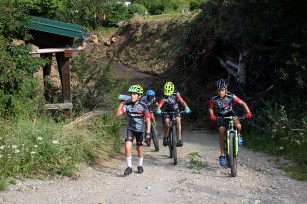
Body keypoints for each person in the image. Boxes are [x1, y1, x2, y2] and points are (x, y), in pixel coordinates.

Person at [208, 79, 252, 166]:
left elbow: (242, 103)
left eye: (222, 90)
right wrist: (212, 115)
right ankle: (222, 154)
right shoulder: (214, 99)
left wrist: (248, 112)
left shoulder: (230, 96)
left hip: (230, 113)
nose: (221, 92)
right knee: (221, 131)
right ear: (217, 90)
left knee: (238, 126)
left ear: (226, 90)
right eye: (219, 90)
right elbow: (210, 108)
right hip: (220, 116)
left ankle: (238, 135)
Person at [116, 85, 151, 175]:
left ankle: (140, 165)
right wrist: (121, 103)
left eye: (134, 94)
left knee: (139, 148)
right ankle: (129, 167)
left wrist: (148, 133)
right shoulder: (128, 105)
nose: (132, 95)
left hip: (140, 130)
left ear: (139, 96)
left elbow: (148, 120)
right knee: (127, 146)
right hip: (130, 129)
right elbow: (118, 114)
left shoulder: (143, 106)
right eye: (131, 94)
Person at [156, 81, 191, 147]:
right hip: (167, 111)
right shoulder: (164, 97)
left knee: (178, 120)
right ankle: (166, 136)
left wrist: (186, 107)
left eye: (169, 93)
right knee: (167, 121)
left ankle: (180, 139)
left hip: (175, 110)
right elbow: (160, 104)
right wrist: (158, 109)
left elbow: (182, 101)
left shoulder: (176, 94)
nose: (168, 95)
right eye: (166, 93)